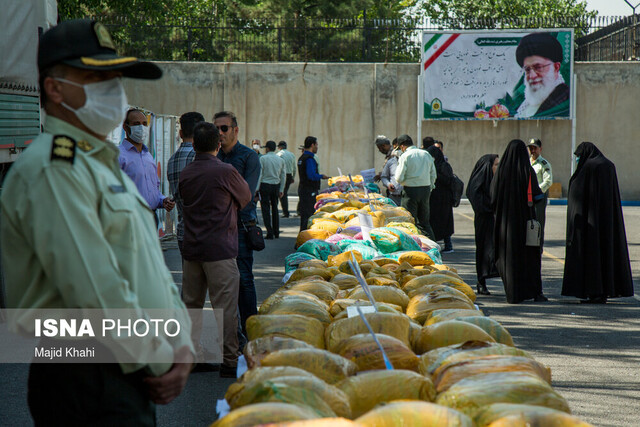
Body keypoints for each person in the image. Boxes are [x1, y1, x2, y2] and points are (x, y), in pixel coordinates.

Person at [0, 19, 194, 424]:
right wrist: (161, 358)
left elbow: (148, 270)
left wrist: (181, 342)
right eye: (96, 78)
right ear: (54, 88)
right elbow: (94, 287)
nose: (114, 92)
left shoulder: (99, 163)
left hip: (125, 365)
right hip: (86, 371)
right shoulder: (55, 168)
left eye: (115, 79)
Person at [179, 122, 252, 377]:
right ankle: (229, 361)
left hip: (192, 249)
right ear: (218, 145)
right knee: (226, 309)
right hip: (220, 249)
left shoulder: (186, 173)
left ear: (194, 145)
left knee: (191, 307)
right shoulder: (225, 171)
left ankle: (191, 358)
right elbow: (245, 197)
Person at [562, 142, 634, 304]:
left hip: (591, 224)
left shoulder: (588, 168)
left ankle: (594, 292)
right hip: (608, 223)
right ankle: (606, 291)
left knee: (593, 255)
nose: (578, 159)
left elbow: (578, 196)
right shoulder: (609, 166)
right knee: (607, 253)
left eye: (578, 156)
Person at [214, 111, 261, 341]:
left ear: (235, 130)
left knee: (244, 280)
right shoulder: (213, 156)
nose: (220, 134)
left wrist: (219, 201)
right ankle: (231, 339)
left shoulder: (249, 157)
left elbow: (247, 196)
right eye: (216, 129)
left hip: (241, 227)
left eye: (224, 128)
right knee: (220, 285)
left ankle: (251, 331)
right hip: (217, 229)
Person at [491, 139, 548, 303]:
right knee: (529, 256)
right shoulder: (527, 171)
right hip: (525, 221)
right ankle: (533, 292)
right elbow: (537, 196)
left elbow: (492, 197)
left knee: (508, 256)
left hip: (505, 224)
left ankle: (513, 293)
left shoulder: (501, 172)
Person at [119, 108, 175, 227]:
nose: (141, 128)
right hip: (131, 219)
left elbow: (153, 188)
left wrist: (162, 200)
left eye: (144, 124)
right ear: (125, 127)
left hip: (151, 218)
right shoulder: (119, 156)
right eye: (136, 124)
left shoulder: (147, 156)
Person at [167, 111, 205, 255]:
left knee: (189, 276)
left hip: (184, 231)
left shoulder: (172, 160)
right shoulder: (200, 157)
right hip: (203, 233)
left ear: (181, 133)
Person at [467, 154, 500, 295]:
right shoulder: (479, 181)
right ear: (488, 167)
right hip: (484, 221)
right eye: (496, 165)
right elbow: (474, 195)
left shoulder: (496, 180)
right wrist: (489, 207)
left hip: (495, 220)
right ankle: (481, 282)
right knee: (483, 250)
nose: (498, 168)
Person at [515, 33, 570, 118]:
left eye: (538, 67)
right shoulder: (527, 103)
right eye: (528, 69)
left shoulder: (563, 99)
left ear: (556, 67)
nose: (532, 76)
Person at [393, 134, 437, 240]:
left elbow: (398, 177)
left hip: (410, 191)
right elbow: (433, 174)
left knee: (410, 222)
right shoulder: (426, 154)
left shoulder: (405, 156)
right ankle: (433, 248)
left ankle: (413, 248)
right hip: (426, 190)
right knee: (424, 222)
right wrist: (430, 187)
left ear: (402, 146)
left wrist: (405, 182)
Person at [426, 146, 455, 253]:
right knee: (434, 222)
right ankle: (435, 245)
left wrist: (435, 174)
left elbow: (448, 180)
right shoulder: (433, 165)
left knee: (444, 222)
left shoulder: (444, 166)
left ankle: (448, 246)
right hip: (435, 198)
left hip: (444, 199)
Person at [297, 136, 329, 232]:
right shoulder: (309, 159)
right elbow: (311, 175)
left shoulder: (302, 158)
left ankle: (302, 237)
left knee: (304, 216)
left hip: (303, 189)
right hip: (309, 190)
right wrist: (321, 176)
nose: (317, 147)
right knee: (308, 216)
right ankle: (304, 238)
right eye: (316, 145)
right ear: (312, 145)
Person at [527, 138, 553, 250]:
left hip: (539, 199)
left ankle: (538, 247)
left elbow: (548, 181)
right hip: (527, 198)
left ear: (540, 149)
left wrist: (536, 192)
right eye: (531, 148)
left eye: (535, 148)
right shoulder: (527, 162)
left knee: (538, 223)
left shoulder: (544, 164)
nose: (533, 150)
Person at [258, 140, 286, 239]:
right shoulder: (280, 160)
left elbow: (260, 174)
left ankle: (269, 232)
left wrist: (256, 189)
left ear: (267, 148)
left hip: (265, 185)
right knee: (275, 209)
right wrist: (281, 189)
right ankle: (276, 231)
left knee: (265, 209)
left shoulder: (263, 159)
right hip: (276, 185)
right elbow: (283, 176)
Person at [375, 135, 403, 206]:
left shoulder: (394, 154)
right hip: (393, 192)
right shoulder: (390, 158)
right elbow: (387, 174)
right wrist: (388, 183)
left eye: (380, 148)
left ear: (383, 145)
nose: (380, 150)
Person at [277, 140, 296, 218]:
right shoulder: (291, 155)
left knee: (281, 193)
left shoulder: (279, 155)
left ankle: (285, 212)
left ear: (280, 147)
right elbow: (294, 168)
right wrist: (293, 177)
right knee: (284, 193)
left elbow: (278, 167)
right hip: (289, 175)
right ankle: (285, 211)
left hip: (281, 175)